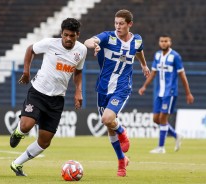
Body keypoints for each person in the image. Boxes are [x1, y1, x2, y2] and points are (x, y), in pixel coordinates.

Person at [9, 18, 87, 176]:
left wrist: (78, 91)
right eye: (65, 35)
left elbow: (78, 72)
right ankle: (18, 132)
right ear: (61, 33)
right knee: (26, 126)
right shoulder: (50, 43)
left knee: (44, 141)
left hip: (57, 99)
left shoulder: (82, 50)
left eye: (72, 36)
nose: (68, 39)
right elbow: (31, 49)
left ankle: (17, 164)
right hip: (38, 92)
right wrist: (26, 71)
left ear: (77, 35)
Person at [84, 9, 150, 177]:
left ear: (130, 24)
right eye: (116, 23)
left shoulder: (136, 40)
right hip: (103, 88)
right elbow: (88, 41)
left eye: (121, 23)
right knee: (108, 126)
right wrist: (95, 44)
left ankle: (122, 132)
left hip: (122, 88)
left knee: (107, 119)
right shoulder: (108, 37)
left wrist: (143, 65)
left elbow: (139, 49)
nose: (118, 26)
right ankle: (122, 161)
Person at [138, 34, 194, 154]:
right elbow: (153, 73)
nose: (164, 43)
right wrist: (144, 86)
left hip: (170, 92)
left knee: (163, 118)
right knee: (156, 119)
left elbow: (182, 75)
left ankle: (161, 147)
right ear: (159, 43)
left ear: (170, 42)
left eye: (166, 41)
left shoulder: (175, 56)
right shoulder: (157, 55)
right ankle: (176, 135)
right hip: (160, 93)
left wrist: (188, 93)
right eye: (162, 41)